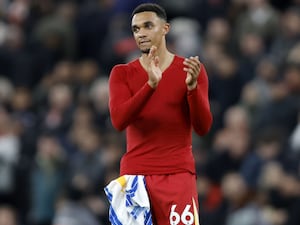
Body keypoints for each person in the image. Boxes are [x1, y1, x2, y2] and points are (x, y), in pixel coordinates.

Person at [107, 3, 212, 225]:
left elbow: (203, 128)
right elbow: (119, 120)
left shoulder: (190, 70)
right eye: (136, 29)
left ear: (165, 28)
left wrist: (192, 90)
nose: (141, 33)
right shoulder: (122, 73)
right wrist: (150, 86)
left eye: (147, 26)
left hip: (177, 176)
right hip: (136, 177)